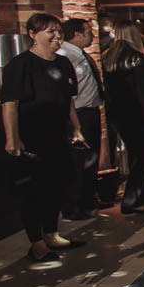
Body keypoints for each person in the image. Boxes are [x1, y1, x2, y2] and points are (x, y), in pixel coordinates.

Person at [0, 13, 87, 263]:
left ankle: (51, 234)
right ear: (33, 34)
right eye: (50, 31)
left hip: (58, 135)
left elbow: (69, 100)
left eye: (59, 31)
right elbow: (10, 105)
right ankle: (36, 243)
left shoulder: (63, 63)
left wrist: (77, 129)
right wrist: (12, 138)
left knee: (56, 185)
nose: (57, 36)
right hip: (32, 136)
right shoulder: (20, 65)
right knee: (34, 190)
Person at [103, 20, 144, 214]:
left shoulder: (108, 58)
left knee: (135, 153)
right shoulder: (137, 59)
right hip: (137, 113)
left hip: (117, 114)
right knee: (143, 155)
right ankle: (130, 199)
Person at [57, 18, 104, 220]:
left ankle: (88, 199)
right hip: (77, 113)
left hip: (90, 111)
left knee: (91, 159)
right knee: (78, 161)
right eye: (89, 31)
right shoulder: (66, 56)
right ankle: (73, 206)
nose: (92, 35)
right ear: (77, 35)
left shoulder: (81, 54)